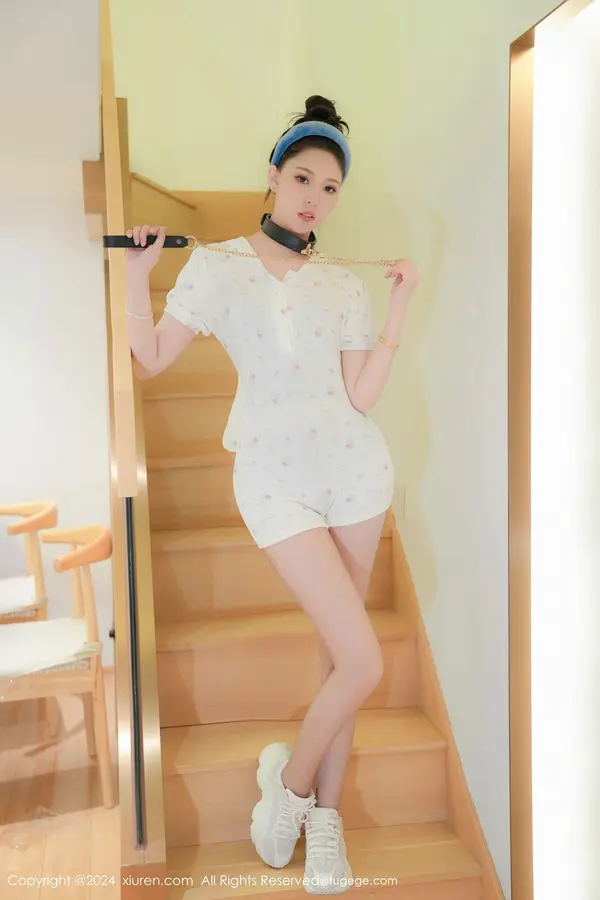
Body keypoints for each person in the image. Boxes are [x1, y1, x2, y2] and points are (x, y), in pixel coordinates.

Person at [125, 95, 419, 894]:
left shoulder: (342, 283)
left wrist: (398, 307)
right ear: (273, 175)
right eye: (303, 178)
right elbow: (150, 357)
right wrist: (136, 276)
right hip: (272, 479)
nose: (314, 197)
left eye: (330, 187)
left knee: (341, 658)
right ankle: (288, 787)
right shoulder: (217, 266)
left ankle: (325, 818)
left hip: (355, 475)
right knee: (364, 658)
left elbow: (361, 396)